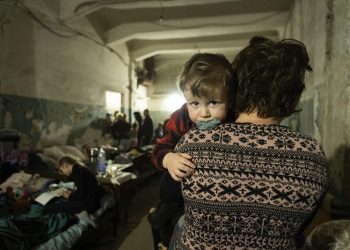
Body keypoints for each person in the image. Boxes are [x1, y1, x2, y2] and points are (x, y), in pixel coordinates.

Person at [172, 37, 329, 249]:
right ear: (293, 97)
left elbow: (168, 195)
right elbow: (300, 226)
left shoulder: (192, 143)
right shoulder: (313, 156)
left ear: (235, 89)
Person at [151, 52, 236, 181]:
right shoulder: (181, 117)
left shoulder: (235, 118)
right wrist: (169, 159)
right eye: (195, 103)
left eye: (213, 102)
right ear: (186, 99)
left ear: (230, 101)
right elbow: (159, 148)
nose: (204, 113)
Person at [44, 156, 103, 227]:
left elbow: (81, 195)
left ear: (65, 165)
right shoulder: (80, 169)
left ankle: (83, 215)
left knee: (53, 208)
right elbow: (83, 190)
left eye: (61, 170)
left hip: (90, 204)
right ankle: (81, 213)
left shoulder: (78, 172)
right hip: (93, 201)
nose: (62, 173)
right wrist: (72, 194)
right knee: (63, 203)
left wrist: (69, 195)